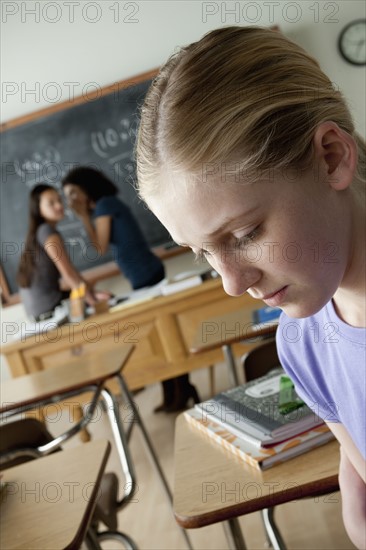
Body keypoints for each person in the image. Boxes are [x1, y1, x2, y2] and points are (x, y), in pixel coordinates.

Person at [135, 26, 366, 548]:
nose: (232, 284)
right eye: (201, 252)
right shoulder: (302, 343)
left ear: (331, 157)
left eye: (244, 234)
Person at [61, 166, 200, 412]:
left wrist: (83, 216)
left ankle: (181, 389)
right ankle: (174, 391)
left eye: (73, 192)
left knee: (161, 334)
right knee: (158, 334)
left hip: (145, 272)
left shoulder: (105, 205)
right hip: (141, 274)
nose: (70, 200)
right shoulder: (104, 206)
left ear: (85, 187)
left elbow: (100, 247)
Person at [17, 184, 103, 321]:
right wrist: (93, 302)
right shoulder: (47, 232)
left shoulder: (38, 232)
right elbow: (68, 274)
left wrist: (92, 293)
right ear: (38, 209)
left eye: (59, 200)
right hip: (51, 311)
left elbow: (72, 273)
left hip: (38, 313)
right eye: (51, 203)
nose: (58, 205)